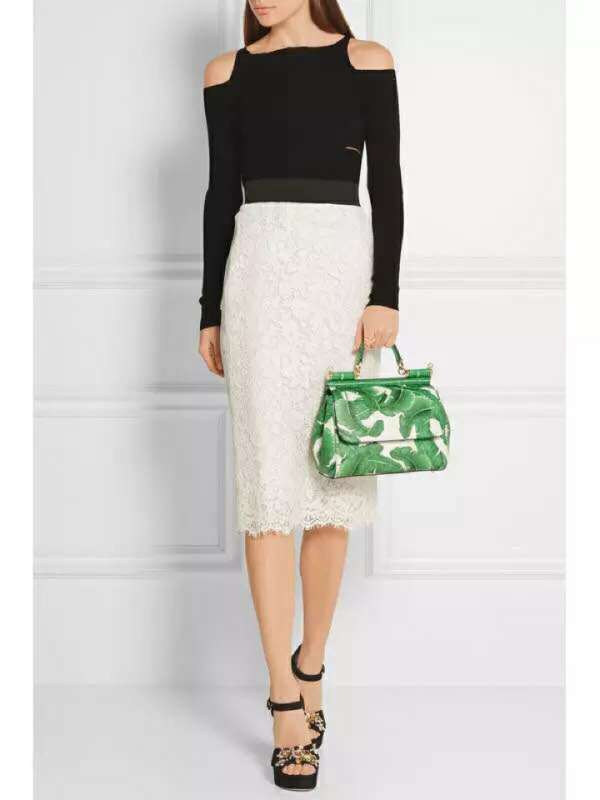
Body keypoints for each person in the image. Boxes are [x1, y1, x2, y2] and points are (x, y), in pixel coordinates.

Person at [197, 0, 403, 790]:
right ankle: (284, 699)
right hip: (257, 275)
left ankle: (311, 661)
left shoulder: (366, 61)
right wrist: (210, 309)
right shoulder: (226, 73)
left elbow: (388, 184)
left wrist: (385, 296)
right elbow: (220, 194)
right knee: (265, 492)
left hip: (338, 276)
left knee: (331, 479)